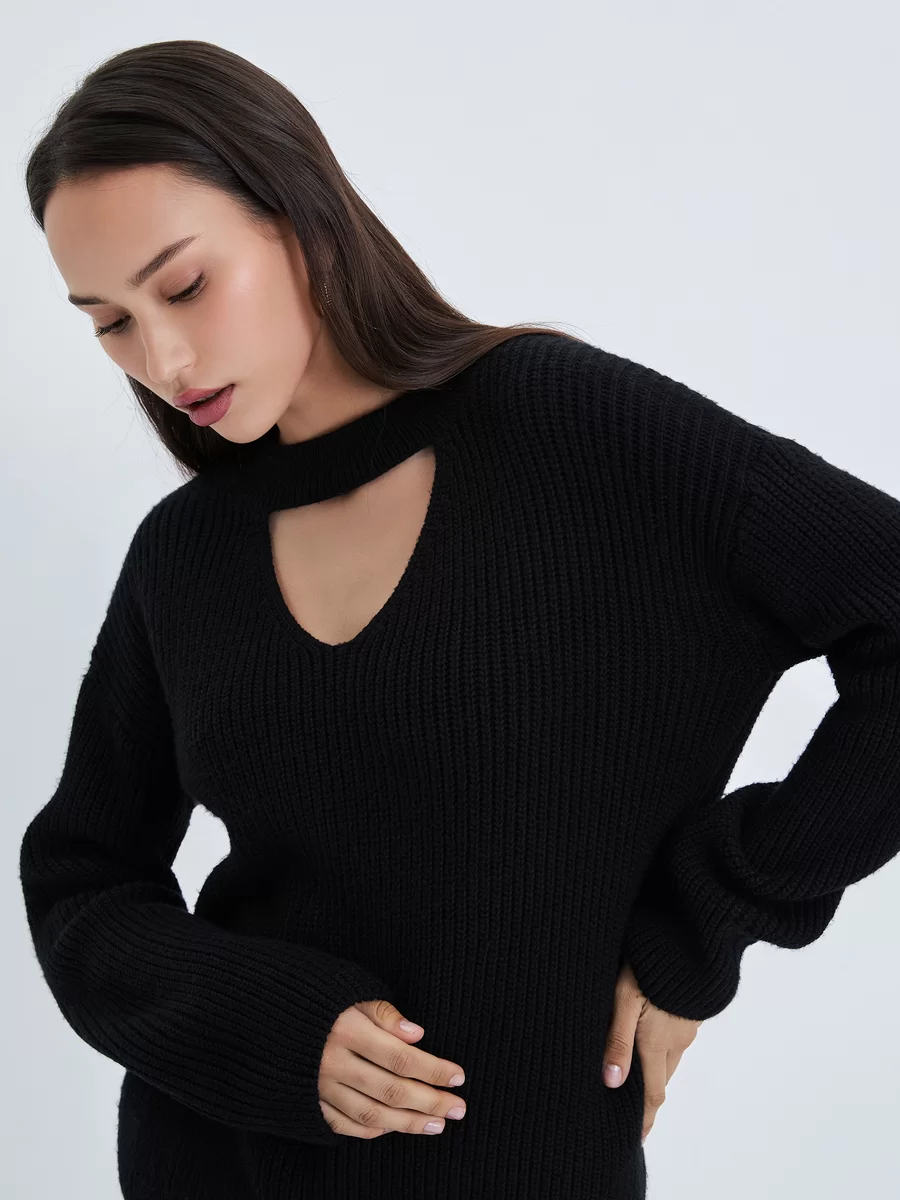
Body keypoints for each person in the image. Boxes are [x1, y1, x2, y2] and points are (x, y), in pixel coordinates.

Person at [18, 38, 900, 1200]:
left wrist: (711, 920)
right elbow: (82, 878)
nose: (163, 359)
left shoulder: (571, 435)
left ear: (302, 218)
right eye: (110, 323)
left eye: (182, 287)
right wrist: (265, 1025)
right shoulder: (184, 555)